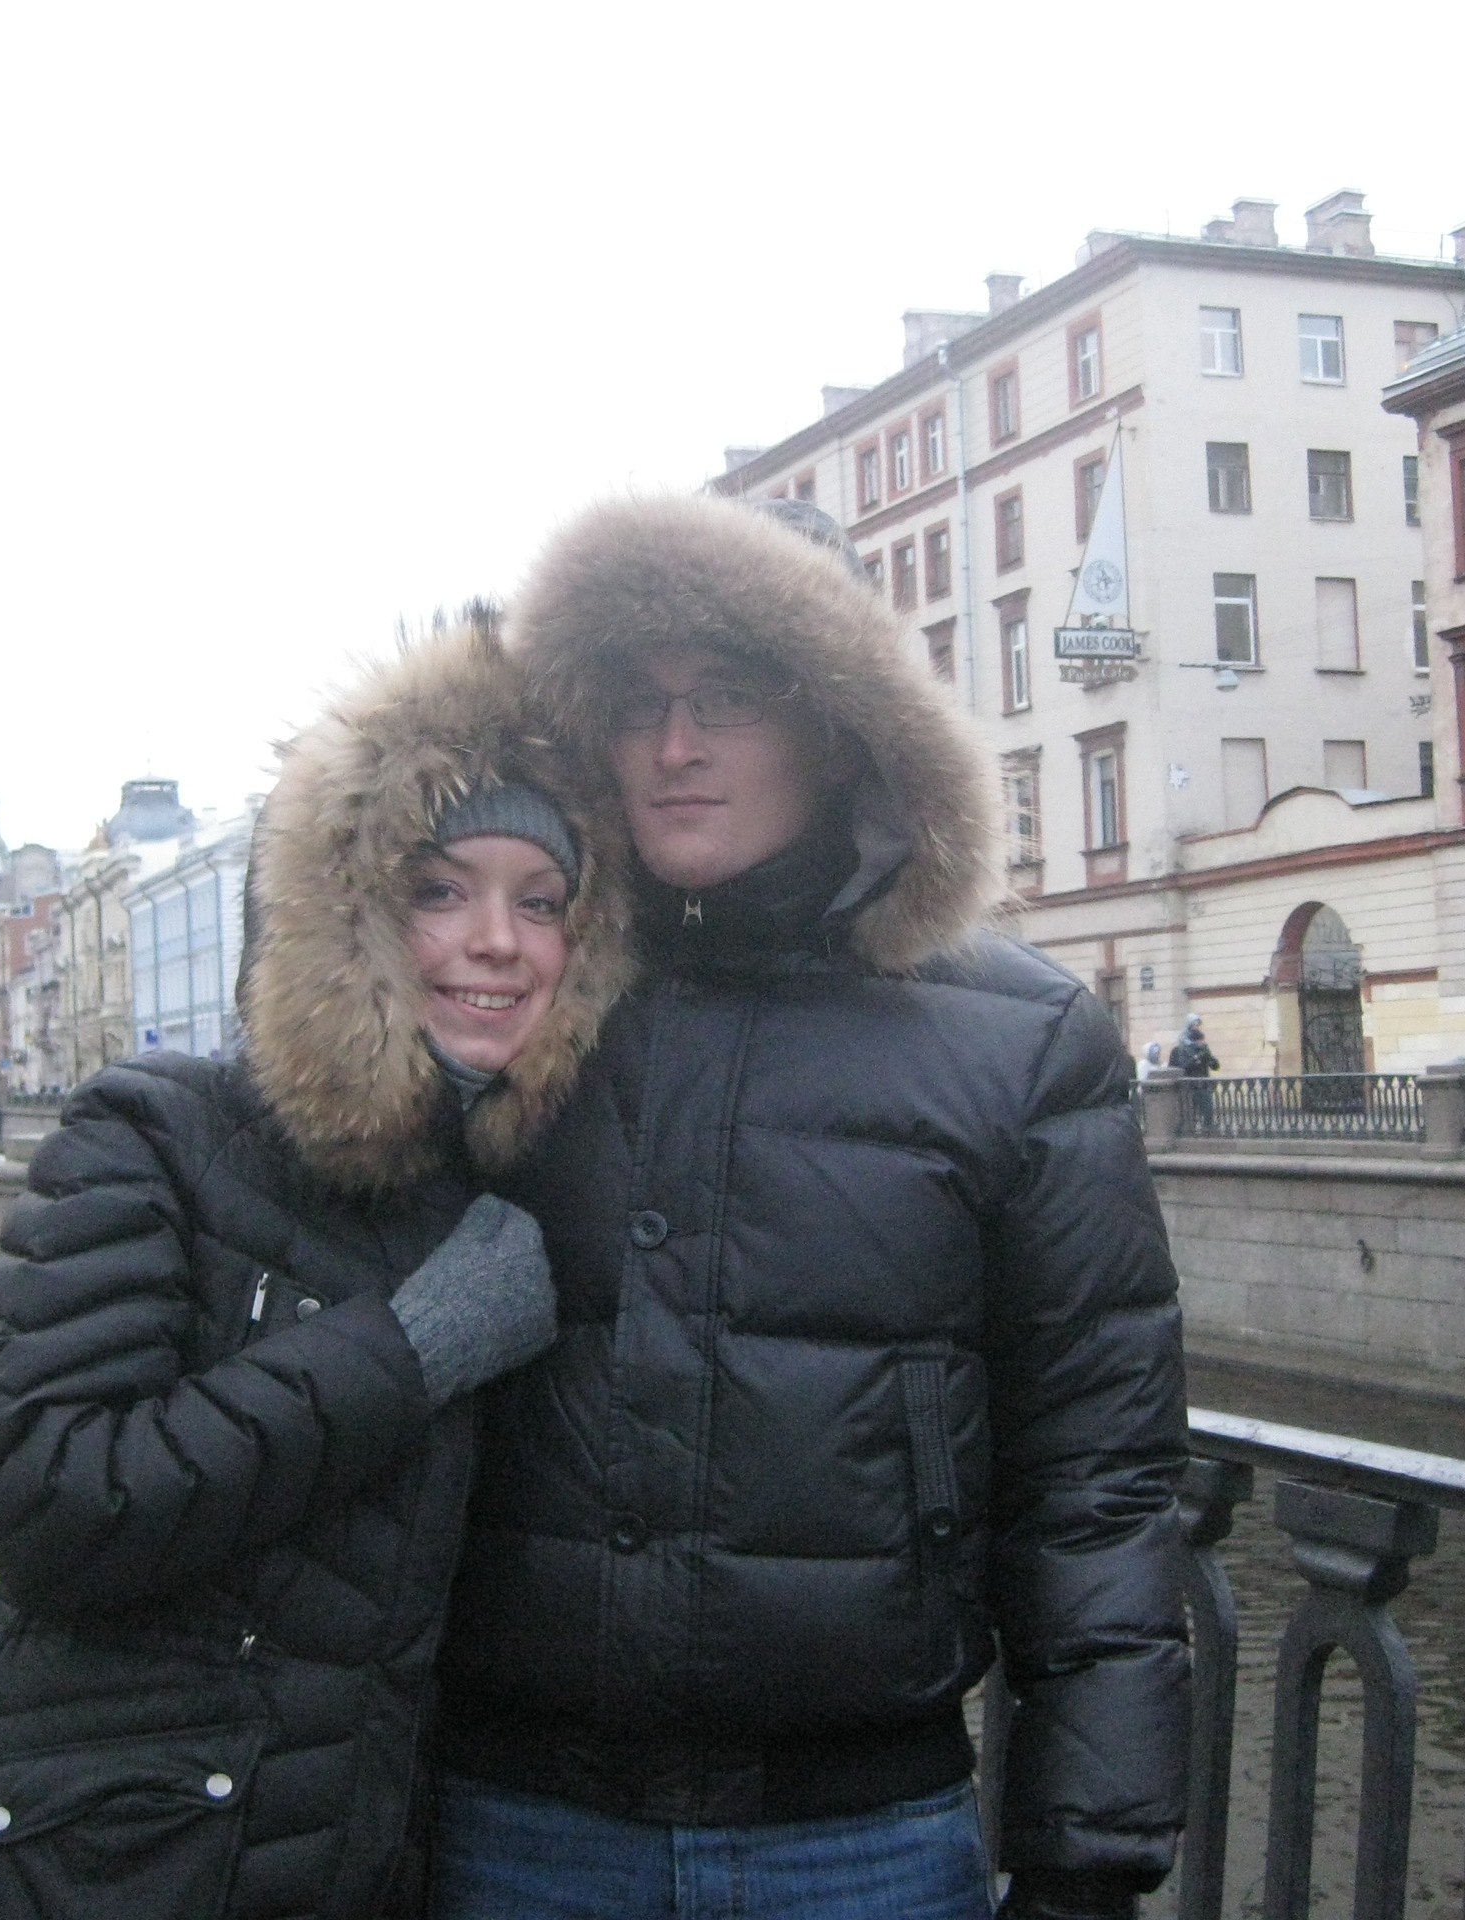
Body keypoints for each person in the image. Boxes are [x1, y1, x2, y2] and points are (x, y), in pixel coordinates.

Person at [430, 496, 1190, 1920]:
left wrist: (1086, 1859)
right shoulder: (510, 1001)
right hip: (513, 1820)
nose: (674, 747)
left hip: (857, 1841)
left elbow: (1096, 1475)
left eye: (727, 697)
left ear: (839, 722)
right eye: (640, 704)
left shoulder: (1019, 1039)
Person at [0, 620, 632, 1920]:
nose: (499, 940)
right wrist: (406, 1350)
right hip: (96, 1858)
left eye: (541, 901)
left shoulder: (504, 1191)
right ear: (345, 916)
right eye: (442, 891)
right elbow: (51, 1504)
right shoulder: (158, 1131)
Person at [1168, 1016, 1218, 1132]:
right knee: (1189, 1113)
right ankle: (1189, 1131)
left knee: (1208, 1110)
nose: (1201, 1043)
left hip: (1203, 1085)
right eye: (1199, 1040)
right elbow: (1182, 1067)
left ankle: (1208, 1130)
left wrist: (1209, 1057)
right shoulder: (1181, 1050)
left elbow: (1215, 1066)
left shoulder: (1203, 1050)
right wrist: (1196, 1058)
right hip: (1189, 1086)